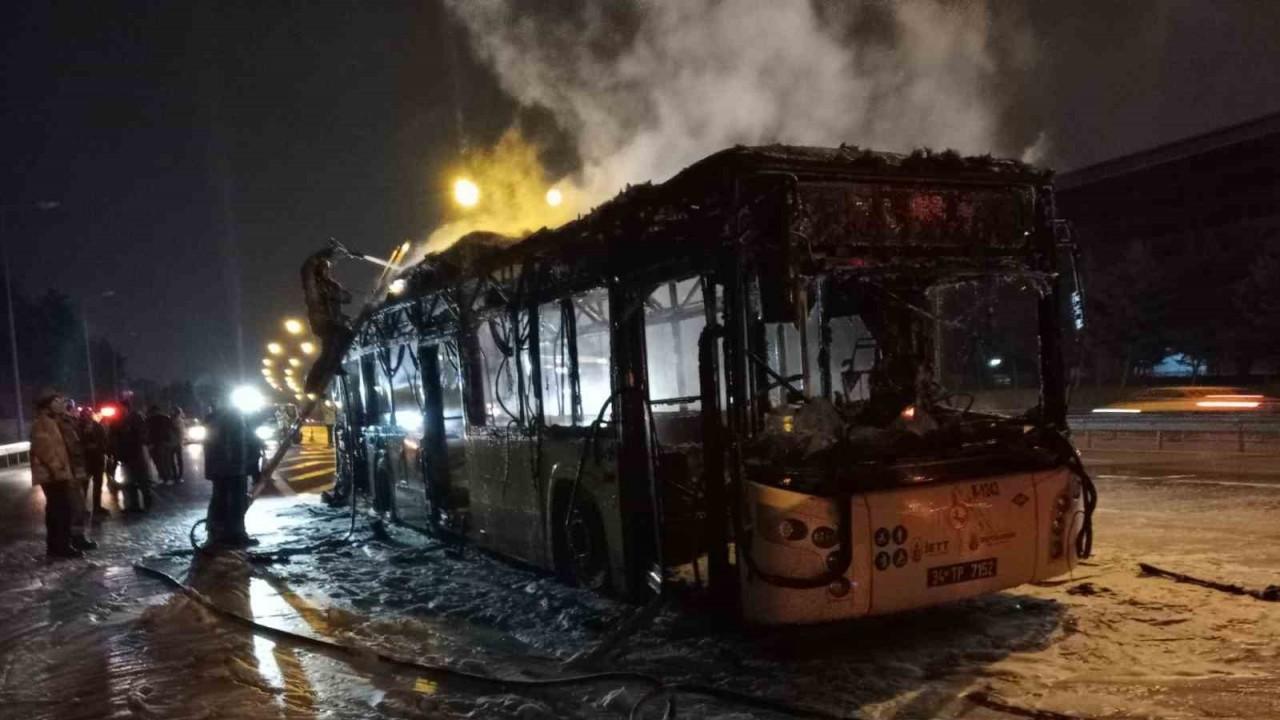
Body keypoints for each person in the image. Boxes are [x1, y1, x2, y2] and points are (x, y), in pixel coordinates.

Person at [30, 390, 90, 558]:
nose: (60, 404)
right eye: (56, 401)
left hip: (56, 474)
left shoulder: (52, 421)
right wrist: (58, 468)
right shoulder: (42, 423)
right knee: (60, 511)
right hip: (51, 475)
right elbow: (44, 449)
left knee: (59, 510)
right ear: (47, 405)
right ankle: (60, 547)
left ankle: (58, 546)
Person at [202, 403, 263, 549]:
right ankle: (232, 534)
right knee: (234, 502)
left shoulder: (215, 419)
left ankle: (219, 533)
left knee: (222, 500)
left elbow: (248, 444)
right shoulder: (235, 419)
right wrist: (253, 470)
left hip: (224, 469)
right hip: (234, 469)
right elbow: (246, 445)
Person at [301, 241, 355, 395]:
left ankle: (335, 364)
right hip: (322, 321)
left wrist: (338, 295)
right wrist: (324, 253)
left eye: (326, 268)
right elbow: (307, 267)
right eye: (323, 268)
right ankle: (311, 386)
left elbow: (346, 298)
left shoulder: (331, 285)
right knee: (329, 351)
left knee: (347, 336)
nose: (326, 270)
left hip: (333, 322)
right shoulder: (312, 285)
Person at [111, 400, 153, 512]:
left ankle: (147, 503)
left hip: (137, 454)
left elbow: (143, 434)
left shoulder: (136, 418)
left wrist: (138, 443)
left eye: (121, 408)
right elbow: (114, 436)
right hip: (125, 456)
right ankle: (134, 505)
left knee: (142, 480)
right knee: (129, 482)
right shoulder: (118, 420)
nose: (120, 410)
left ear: (126, 408)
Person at [78, 407, 109, 517]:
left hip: (97, 459)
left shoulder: (97, 426)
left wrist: (100, 448)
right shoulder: (79, 427)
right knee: (84, 485)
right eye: (85, 414)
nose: (87, 416)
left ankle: (97, 507)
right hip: (86, 460)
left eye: (89, 414)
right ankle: (82, 509)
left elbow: (104, 440)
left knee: (98, 484)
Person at [146, 405, 177, 483]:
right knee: (166, 461)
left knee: (159, 461)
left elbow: (148, 432)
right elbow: (172, 429)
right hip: (166, 442)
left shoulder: (149, 420)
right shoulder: (166, 418)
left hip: (156, 443)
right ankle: (168, 477)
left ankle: (163, 477)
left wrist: (149, 443)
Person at [170, 405, 187, 480]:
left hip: (175, 443)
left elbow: (179, 431)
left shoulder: (177, 420)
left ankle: (178, 475)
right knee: (176, 460)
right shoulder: (179, 420)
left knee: (176, 460)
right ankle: (178, 475)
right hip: (175, 442)